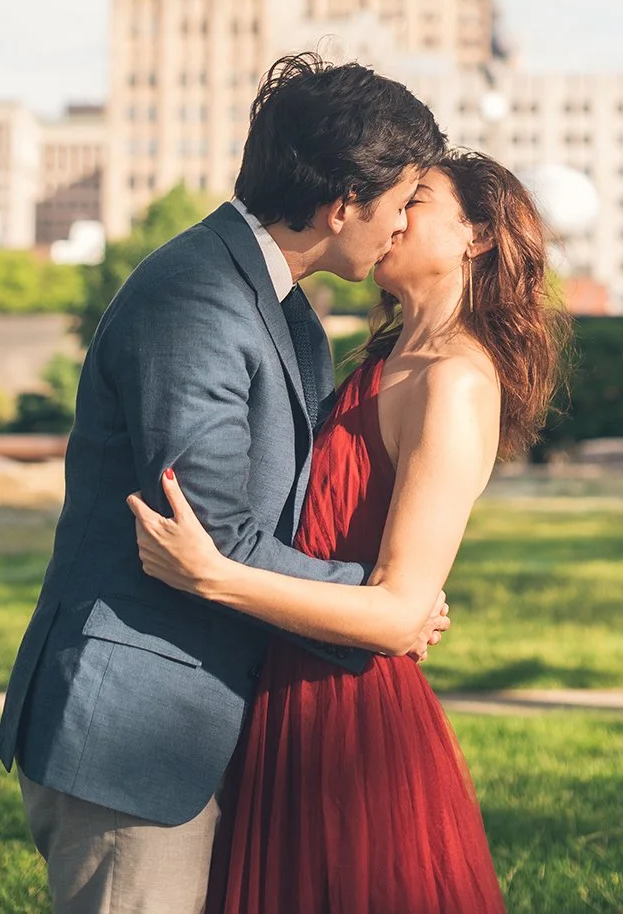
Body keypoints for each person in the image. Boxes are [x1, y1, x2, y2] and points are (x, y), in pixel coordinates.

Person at [0, 53, 450, 914]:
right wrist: (387, 606)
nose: (398, 228)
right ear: (342, 202)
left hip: (199, 717)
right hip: (131, 730)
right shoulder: (197, 299)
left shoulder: (268, 298)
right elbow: (207, 533)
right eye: (396, 205)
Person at [129, 152, 566, 914]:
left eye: (416, 200)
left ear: (478, 237)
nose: (391, 215)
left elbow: (399, 611)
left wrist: (213, 574)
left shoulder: (455, 380)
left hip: (352, 719)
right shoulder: (381, 357)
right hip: (286, 699)